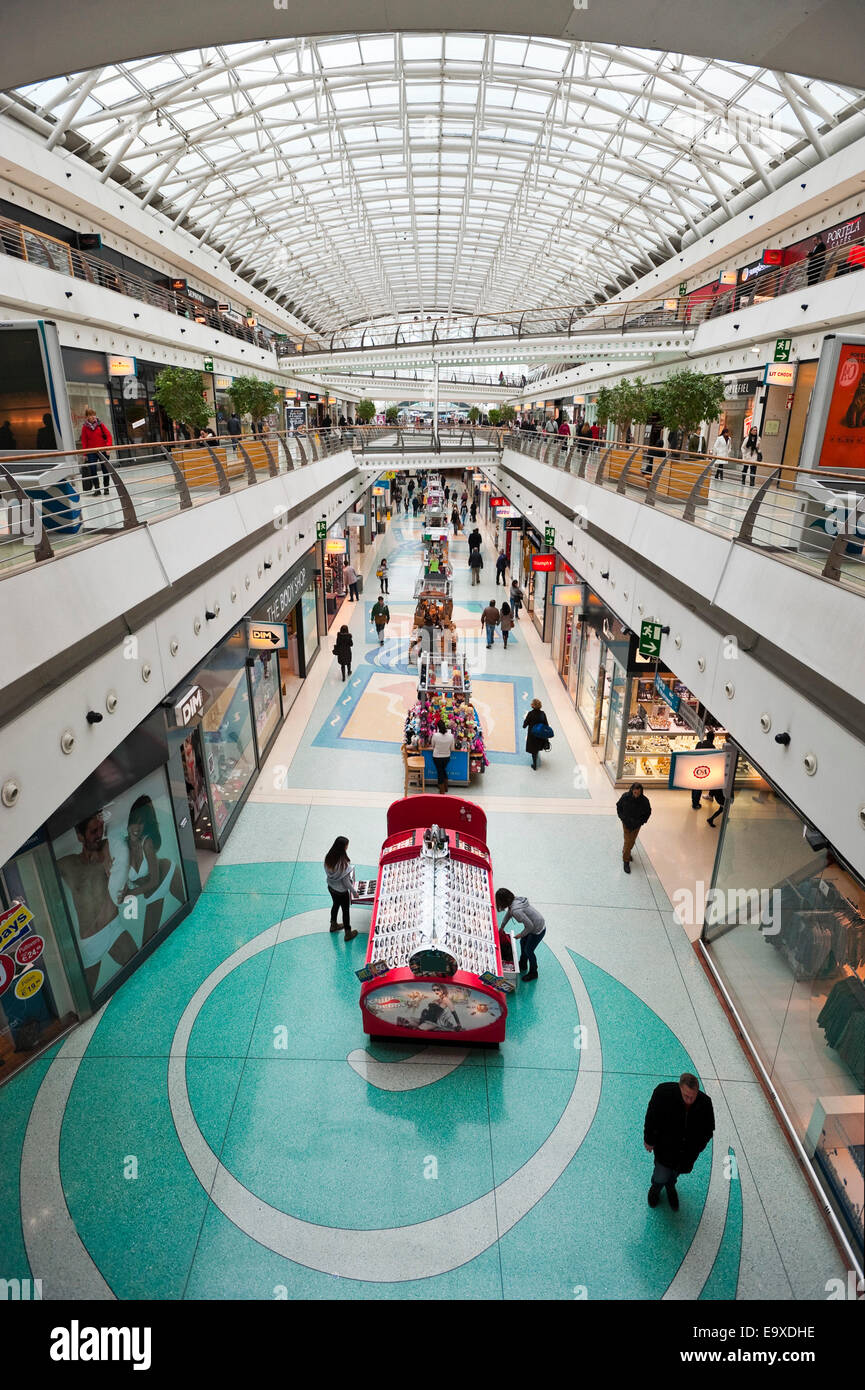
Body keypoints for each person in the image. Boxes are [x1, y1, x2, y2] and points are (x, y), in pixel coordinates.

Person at [644, 1072, 715, 1211]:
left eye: (692, 1097)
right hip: (665, 1149)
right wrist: (649, 1140)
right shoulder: (663, 1093)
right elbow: (651, 1118)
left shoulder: (705, 1103)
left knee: (675, 1173)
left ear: (697, 1091)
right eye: (686, 1096)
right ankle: (656, 1188)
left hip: (686, 1154)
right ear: (679, 1088)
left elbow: (708, 1130)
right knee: (661, 1174)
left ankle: (671, 1187)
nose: (689, 1100)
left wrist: (697, 1148)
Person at [495, 887, 546, 981]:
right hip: (534, 925)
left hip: (538, 929)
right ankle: (523, 964)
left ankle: (534, 972)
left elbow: (530, 926)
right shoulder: (514, 902)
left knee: (529, 950)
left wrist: (520, 934)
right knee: (523, 943)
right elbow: (508, 914)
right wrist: (502, 927)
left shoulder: (516, 911)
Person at [323, 836, 358, 941]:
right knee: (345, 911)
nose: (347, 846)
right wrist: (354, 892)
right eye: (347, 845)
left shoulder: (328, 858)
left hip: (331, 887)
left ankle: (333, 924)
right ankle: (348, 933)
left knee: (335, 905)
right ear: (343, 847)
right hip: (341, 891)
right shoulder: (343, 864)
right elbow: (346, 882)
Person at [616, 782, 652, 873]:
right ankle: (626, 860)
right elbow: (619, 806)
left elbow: (648, 812)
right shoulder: (625, 797)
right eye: (635, 792)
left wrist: (642, 821)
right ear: (632, 790)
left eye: (638, 793)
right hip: (626, 824)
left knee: (632, 841)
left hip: (637, 825)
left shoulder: (644, 801)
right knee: (628, 841)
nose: (636, 795)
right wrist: (622, 818)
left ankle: (626, 851)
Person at [81, 407, 113, 495]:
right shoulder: (85, 427)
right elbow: (84, 441)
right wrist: (85, 454)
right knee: (93, 470)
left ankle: (106, 488)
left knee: (105, 470)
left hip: (103, 451)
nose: (93, 416)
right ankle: (97, 489)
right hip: (91, 452)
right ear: (87, 417)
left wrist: (108, 448)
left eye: (94, 414)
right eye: (90, 415)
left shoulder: (100, 424)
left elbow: (109, 436)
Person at [690, 729, 717, 809]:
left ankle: (694, 801)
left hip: (696, 766)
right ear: (713, 738)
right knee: (699, 786)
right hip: (703, 769)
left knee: (695, 785)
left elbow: (695, 753)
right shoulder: (712, 747)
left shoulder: (699, 743)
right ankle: (696, 804)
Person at [523, 697, 549, 770]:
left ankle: (534, 765)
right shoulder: (543, 714)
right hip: (540, 735)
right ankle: (536, 754)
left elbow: (525, 724)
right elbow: (546, 724)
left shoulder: (530, 714)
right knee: (537, 747)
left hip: (532, 735)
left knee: (533, 749)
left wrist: (524, 725)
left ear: (533, 706)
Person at [431, 718, 455, 795]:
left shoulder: (435, 735)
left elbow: (432, 746)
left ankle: (442, 790)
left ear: (438, 728)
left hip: (436, 757)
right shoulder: (451, 736)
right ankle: (446, 786)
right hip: (446, 757)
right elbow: (452, 748)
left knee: (440, 772)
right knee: (443, 769)